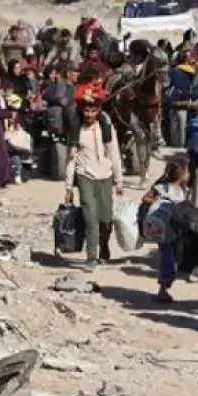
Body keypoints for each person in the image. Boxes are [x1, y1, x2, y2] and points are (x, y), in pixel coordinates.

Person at [64, 90, 125, 271]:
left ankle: (104, 248)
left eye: (93, 110)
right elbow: (71, 160)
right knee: (90, 218)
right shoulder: (76, 130)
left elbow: (114, 153)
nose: (89, 114)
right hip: (85, 176)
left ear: (98, 110)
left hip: (105, 176)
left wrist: (119, 179)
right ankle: (91, 257)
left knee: (106, 220)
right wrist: (68, 187)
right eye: (86, 110)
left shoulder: (106, 128)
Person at [141, 159, 190, 303]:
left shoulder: (184, 191)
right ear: (180, 174)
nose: (189, 175)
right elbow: (145, 198)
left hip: (176, 230)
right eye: (187, 172)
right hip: (163, 229)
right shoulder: (162, 188)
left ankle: (167, 282)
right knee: (166, 258)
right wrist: (156, 201)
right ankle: (163, 289)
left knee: (176, 258)